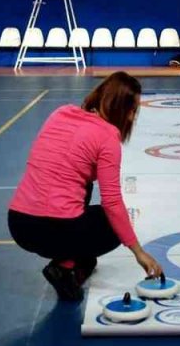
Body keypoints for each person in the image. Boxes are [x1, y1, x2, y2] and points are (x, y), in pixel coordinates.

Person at [8, 72, 163, 301]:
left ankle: (74, 258)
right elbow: (111, 202)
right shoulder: (108, 137)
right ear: (120, 108)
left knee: (83, 185)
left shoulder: (60, 113)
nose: (132, 118)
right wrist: (138, 252)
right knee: (110, 224)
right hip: (53, 229)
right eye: (132, 110)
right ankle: (64, 265)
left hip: (19, 224)